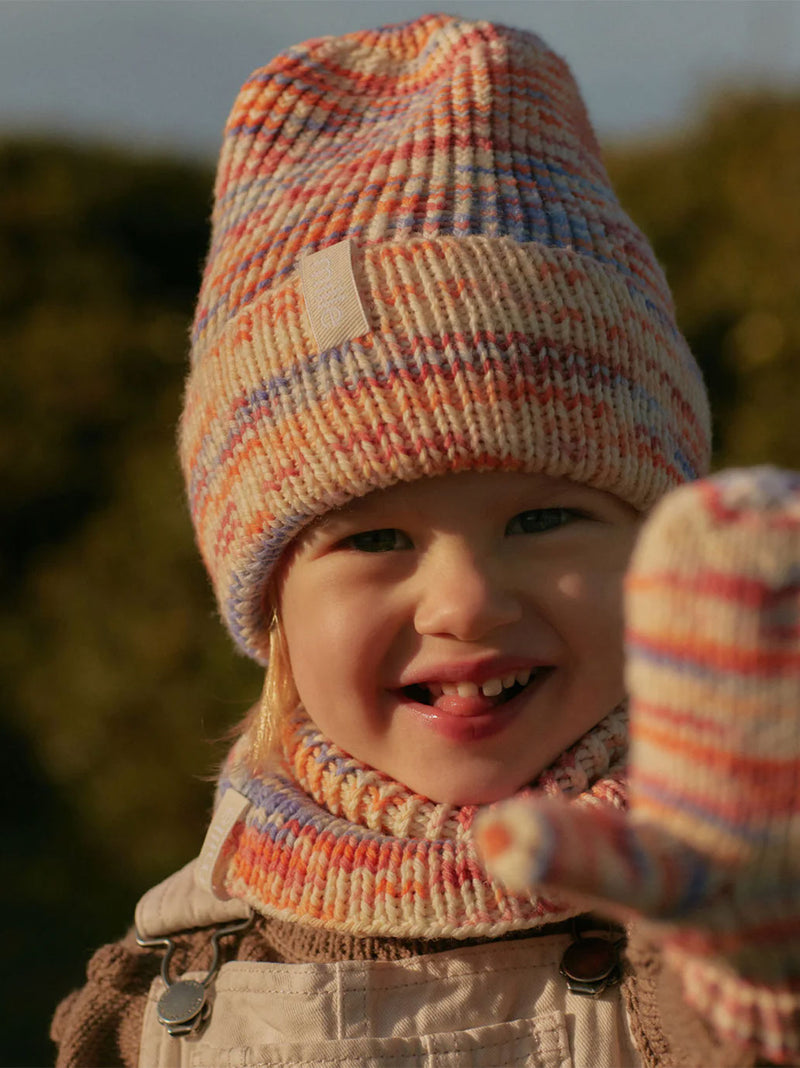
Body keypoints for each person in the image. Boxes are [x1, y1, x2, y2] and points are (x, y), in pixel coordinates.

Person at [51, 13, 800, 1067]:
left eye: (542, 519)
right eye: (373, 539)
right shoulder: (165, 982)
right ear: (268, 600)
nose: (464, 602)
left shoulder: (715, 900)